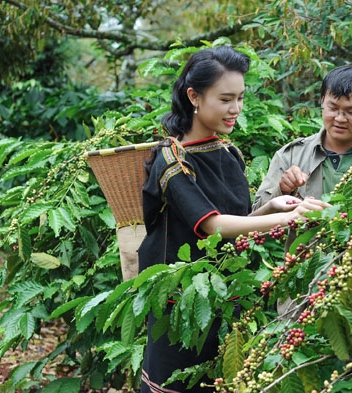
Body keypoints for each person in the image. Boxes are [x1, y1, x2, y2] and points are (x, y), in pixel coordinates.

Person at [137, 46, 329, 393]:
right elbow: (212, 226)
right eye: (226, 99)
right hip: (180, 299)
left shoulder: (228, 151)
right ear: (194, 96)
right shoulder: (173, 159)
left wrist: (273, 209)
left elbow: (234, 227)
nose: (236, 109)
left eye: (240, 98)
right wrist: (287, 220)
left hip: (228, 295)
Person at [252, 65, 352, 210]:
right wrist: (283, 190)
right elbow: (255, 218)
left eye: (351, 112)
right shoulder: (291, 155)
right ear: (322, 101)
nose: (339, 118)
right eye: (332, 108)